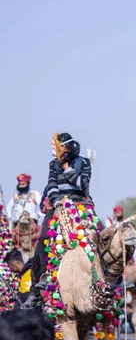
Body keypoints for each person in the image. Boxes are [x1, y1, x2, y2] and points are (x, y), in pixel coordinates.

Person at [24, 132, 94, 309]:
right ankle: (36, 289)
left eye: (58, 147)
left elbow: (83, 184)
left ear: (67, 147)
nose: (56, 151)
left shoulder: (83, 162)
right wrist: (57, 202)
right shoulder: (52, 164)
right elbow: (52, 186)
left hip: (80, 206)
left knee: (98, 235)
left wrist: (66, 169)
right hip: (58, 208)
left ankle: (109, 279)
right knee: (42, 241)